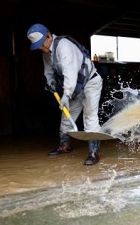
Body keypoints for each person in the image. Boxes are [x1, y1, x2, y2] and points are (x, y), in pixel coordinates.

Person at [26, 23, 103, 165]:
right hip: (75, 87)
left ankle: (94, 152)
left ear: (48, 36)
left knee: (90, 116)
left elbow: (70, 73)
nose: (40, 48)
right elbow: (48, 71)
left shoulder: (64, 46)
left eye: (41, 44)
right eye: (37, 46)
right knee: (66, 116)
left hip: (90, 82)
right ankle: (65, 146)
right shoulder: (46, 51)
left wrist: (66, 95)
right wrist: (51, 82)